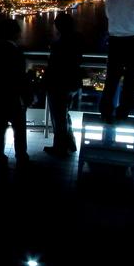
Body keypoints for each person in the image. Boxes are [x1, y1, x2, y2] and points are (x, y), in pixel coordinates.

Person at [43, 12, 84, 157]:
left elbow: (54, 66)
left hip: (58, 84)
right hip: (72, 82)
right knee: (64, 115)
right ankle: (70, 143)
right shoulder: (77, 40)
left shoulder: (59, 44)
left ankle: (60, 148)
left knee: (58, 117)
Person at [0, 18, 31, 163]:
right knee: (19, 128)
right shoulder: (15, 51)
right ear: (14, 33)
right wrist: (27, 96)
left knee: (0, 126)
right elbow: (20, 76)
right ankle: (21, 155)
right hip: (14, 95)